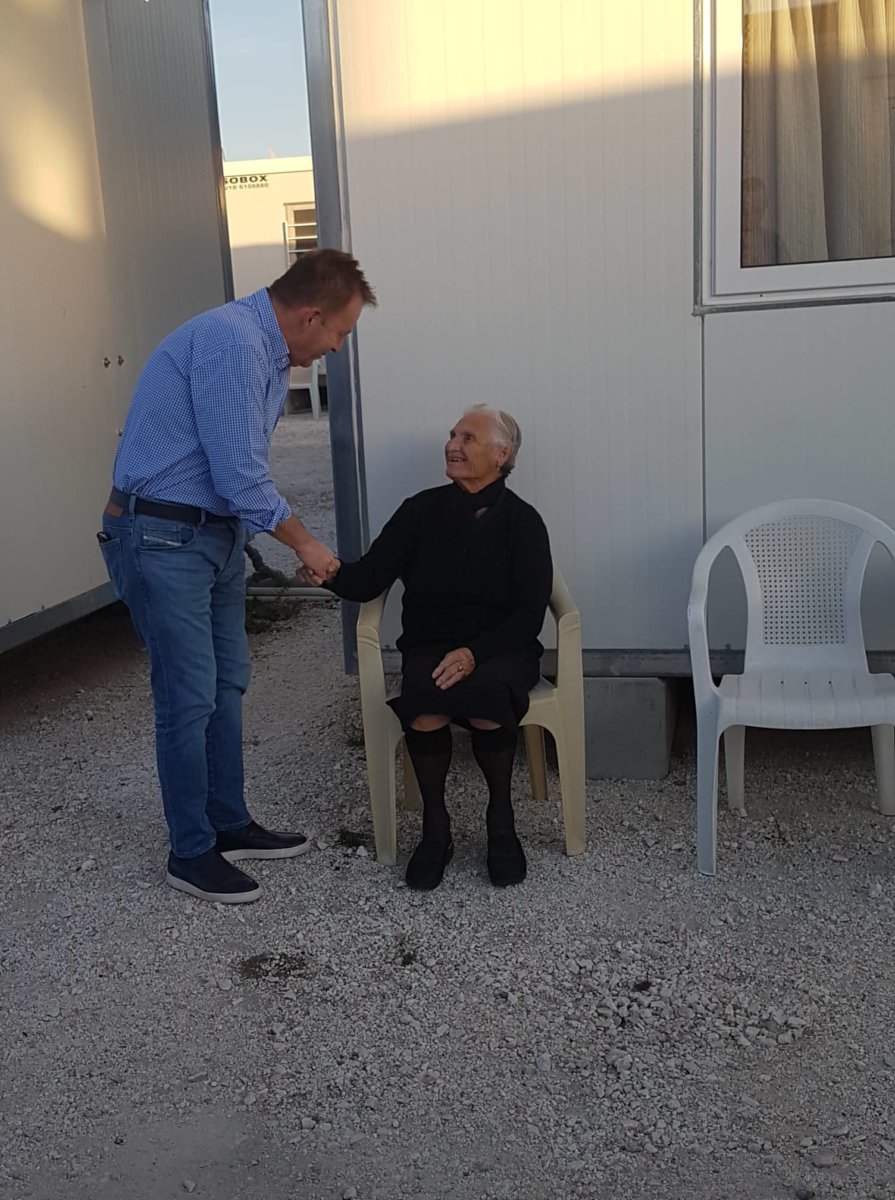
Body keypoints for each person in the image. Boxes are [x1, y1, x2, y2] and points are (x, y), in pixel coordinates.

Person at [98, 249, 376, 904]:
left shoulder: (264, 350)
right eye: (339, 333)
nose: (335, 349)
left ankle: (227, 822)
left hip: (211, 535)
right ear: (311, 316)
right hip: (163, 537)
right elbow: (240, 476)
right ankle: (190, 851)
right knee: (189, 695)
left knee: (226, 685)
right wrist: (306, 544)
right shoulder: (236, 342)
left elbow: (235, 476)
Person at [315, 405, 552, 891]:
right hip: (431, 645)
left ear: (501, 455)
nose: (452, 445)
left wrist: (474, 654)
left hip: (500, 649)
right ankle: (435, 829)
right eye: (452, 435)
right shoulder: (419, 511)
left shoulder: (524, 522)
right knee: (424, 700)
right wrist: (330, 572)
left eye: (468, 438)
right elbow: (370, 577)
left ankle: (501, 823)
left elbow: (529, 614)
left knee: (486, 696)